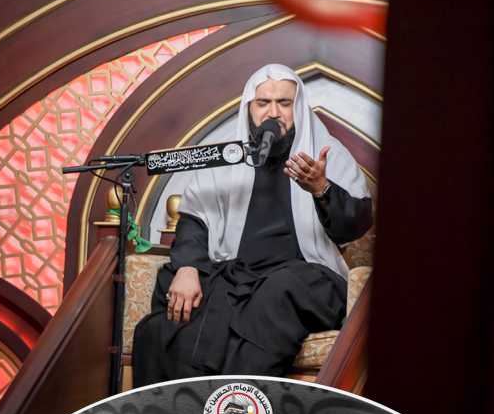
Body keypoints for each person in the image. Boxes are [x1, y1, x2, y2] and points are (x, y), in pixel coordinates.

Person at [132, 64, 372, 387]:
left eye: (284, 103)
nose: (273, 113)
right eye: (263, 103)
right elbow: (193, 220)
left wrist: (322, 189)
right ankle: (184, 407)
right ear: (249, 108)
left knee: (279, 290)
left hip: (306, 279)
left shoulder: (326, 155)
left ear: (298, 107)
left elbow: (357, 225)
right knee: (162, 322)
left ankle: (233, 401)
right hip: (238, 276)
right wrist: (187, 269)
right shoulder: (227, 156)